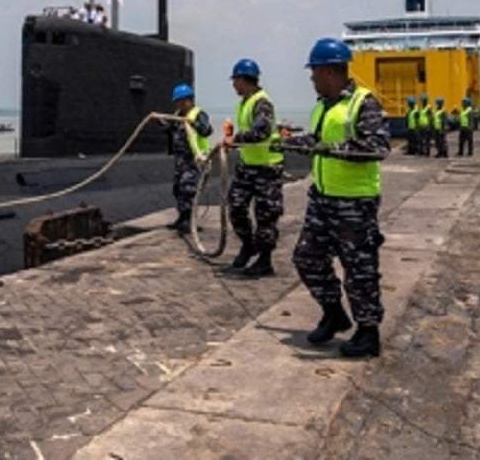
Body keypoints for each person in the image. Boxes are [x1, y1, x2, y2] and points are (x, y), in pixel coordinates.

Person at [284, 38, 390, 358]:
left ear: (330, 72)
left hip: (354, 202)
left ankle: (368, 332)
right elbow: (318, 139)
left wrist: (331, 150)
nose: (312, 79)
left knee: (359, 269)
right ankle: (334, 312)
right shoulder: (324, 105)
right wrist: (288, 142)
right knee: (307, 257)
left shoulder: (364, 103)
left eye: (314, 72)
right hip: (323, 198)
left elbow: (377, 147)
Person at [222, 58, 284, 278]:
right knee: (236, 207)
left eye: (234, 81)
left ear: (242, 79)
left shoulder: (261, 102)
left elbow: (262, 132)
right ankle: (248, 245)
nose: (233, 85)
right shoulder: (244, 102)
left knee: (266, 216)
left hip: (267, 168)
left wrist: (235, 139)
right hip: (247, 166)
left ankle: (265, 261)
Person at [153, 83, 212, 234]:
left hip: (194, 159)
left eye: (181, 101)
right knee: (178, 189)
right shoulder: (178, 115)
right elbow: (170, 129)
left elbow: (206, 130)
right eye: (177, 101)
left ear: (189, 100)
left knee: (188, 189)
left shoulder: (198, 114)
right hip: (180, 160)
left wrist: (192, 122)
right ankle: (182, 217)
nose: (179, 104)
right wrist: (159, 121)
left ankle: (189, 220)